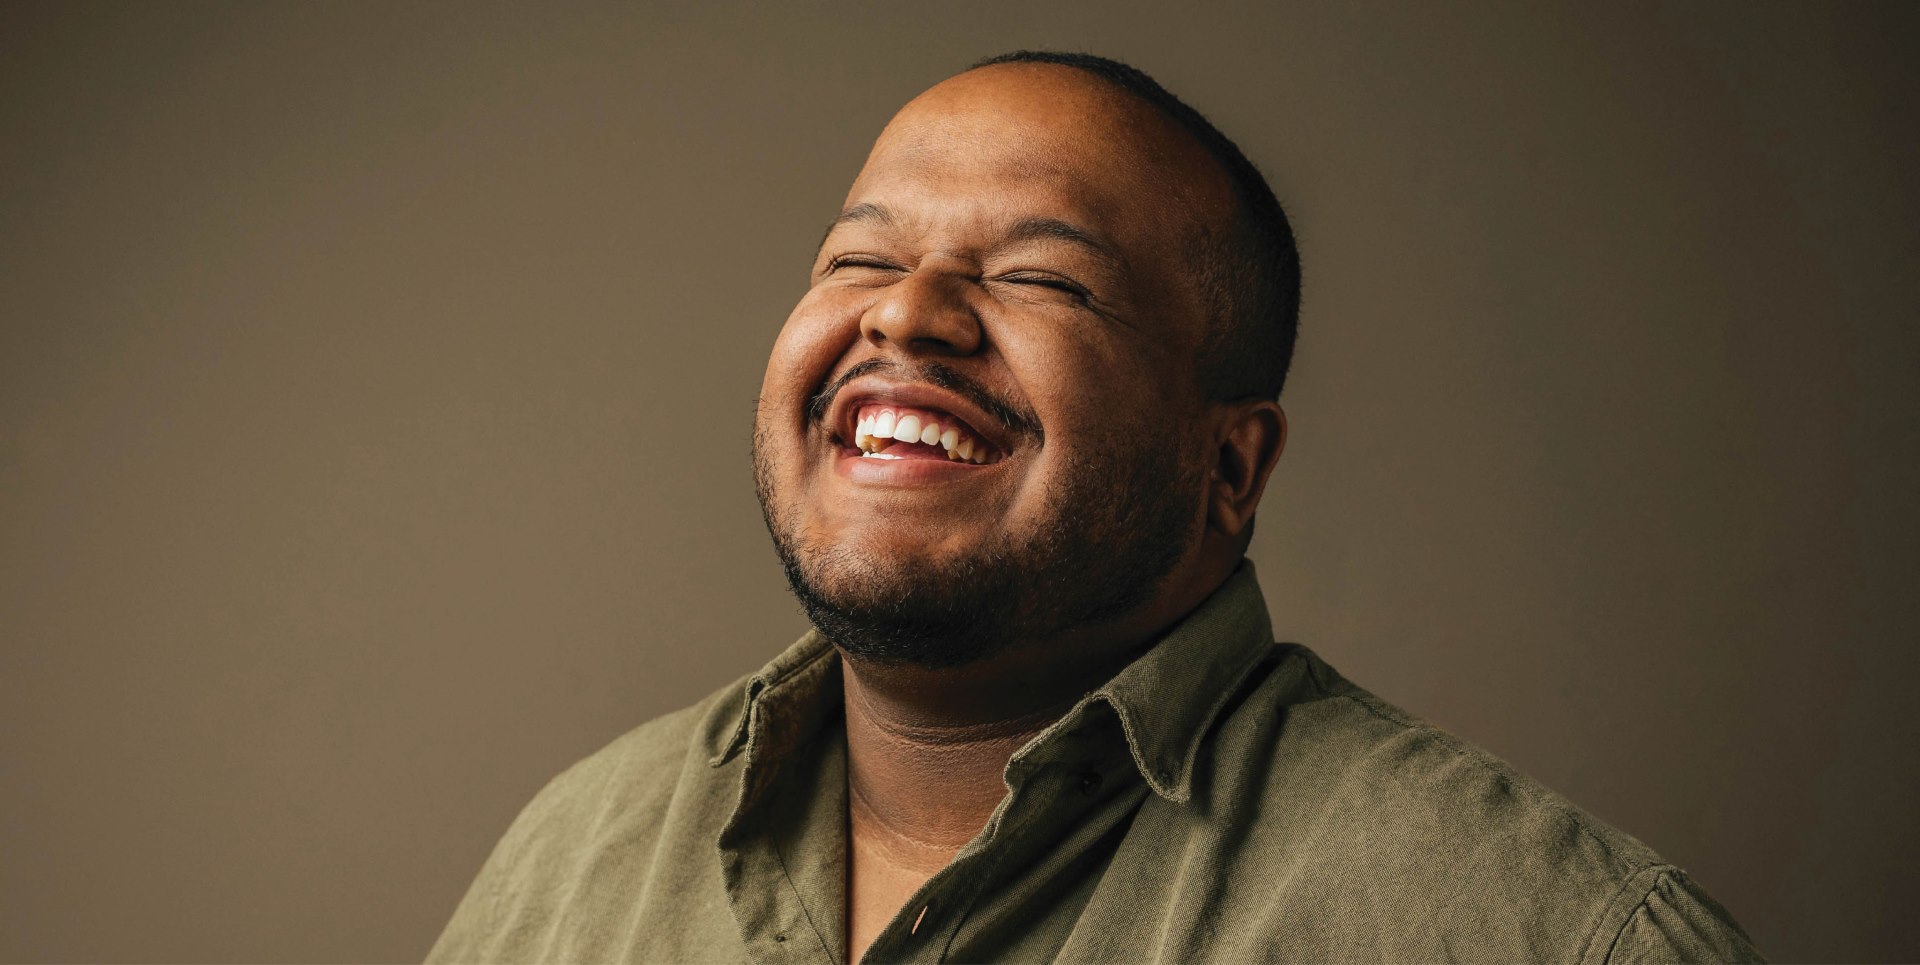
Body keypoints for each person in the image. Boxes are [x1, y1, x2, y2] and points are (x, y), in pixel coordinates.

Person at [427, 51, 1762, 964]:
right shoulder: (572, 861)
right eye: (861, 258)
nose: (905, 310)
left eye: (1045, 279)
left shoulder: (1560, 936)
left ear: (1229, 468)